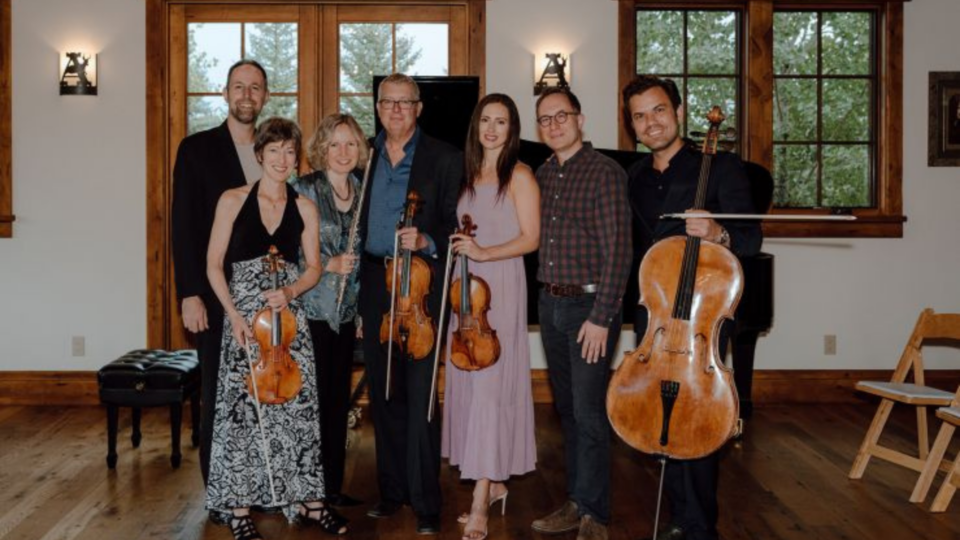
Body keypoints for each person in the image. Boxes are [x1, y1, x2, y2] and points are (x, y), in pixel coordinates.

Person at [622, 75, 761, 540]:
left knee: (697, 415)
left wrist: (718, 232)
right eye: (639, 116)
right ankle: (678, 515)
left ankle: (700, 526)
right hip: (655, 316)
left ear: (678, 111)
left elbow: (749, 239)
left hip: (703, 310)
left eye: (658, 110)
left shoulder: (720, 167)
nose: (651, 122)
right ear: (632, 126)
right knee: (658, 416)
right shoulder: (634, 178)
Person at [205, 117, 348, 540]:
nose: (283, 159)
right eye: (274, 151)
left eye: (289, 151)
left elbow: (315, 268)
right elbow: (214, 265)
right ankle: (239, 510)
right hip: (244, 321)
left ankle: (312, 503)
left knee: (299, 413)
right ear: (260, 154)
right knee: (242, 416)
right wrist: (232, 315)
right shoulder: (232, 200)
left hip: (288, 322)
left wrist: (289, 290)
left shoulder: (304, 206)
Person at [357, 73, 463, 535]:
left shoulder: (445, 157)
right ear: (378, 107)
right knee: (383, 393)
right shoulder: (363, 155)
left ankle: (425, 502)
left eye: (405, 102)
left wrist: (427, 240)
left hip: (420, 285)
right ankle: (391, 491)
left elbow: (457, 221)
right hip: (375, 283)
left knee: (421, 398)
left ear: (419, 108)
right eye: (388, 102)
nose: (396, 110)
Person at [530, 87, 632, 540]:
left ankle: (596, 515)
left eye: (561, 116)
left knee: (589, 413)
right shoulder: (542, 173)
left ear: (580, 119)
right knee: (567, 411)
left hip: (588, 309)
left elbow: (620, 252)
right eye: (545, 119)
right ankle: (576, 500)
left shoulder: (605, 173)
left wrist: (602, 316)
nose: (553, 125)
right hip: (549, 304)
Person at [441, 93, 540, 540]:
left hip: (501, 285)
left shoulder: (518, 175)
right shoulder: (465, 175)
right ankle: (495, 483)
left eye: (501, 122)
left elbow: (532, 238)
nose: (492, 129)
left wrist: (483, 251)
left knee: (490, 390)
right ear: (475, 126)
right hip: (467, 293)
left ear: (512, 130)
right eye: (486, 120)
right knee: (468, 382)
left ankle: (480, 501)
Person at [171, 59, 269, 509]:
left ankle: (262, 485)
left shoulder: (276, 148)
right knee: (218, 396)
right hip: (214, 293)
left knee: (263, 393)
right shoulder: (196, 149)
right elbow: (183, 226)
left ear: (266, 96)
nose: (246, 95)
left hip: (267, 297)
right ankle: (220, 492)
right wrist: (190, 293)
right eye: (239, 87)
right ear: (225, 94)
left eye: (255, 88)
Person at [291, 113, 369, 509]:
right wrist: (327, 262)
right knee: (310, 404)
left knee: (338, 402)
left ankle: (331, 486)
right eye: (335, 144)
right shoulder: (302, 189)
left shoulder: (362, 189)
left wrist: (356, 313)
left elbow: (362, 261)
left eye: (351, 144)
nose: (343, 152)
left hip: (344, 315)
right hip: (309, 311)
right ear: (322, 148)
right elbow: (286, 250)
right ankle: (305, 491)